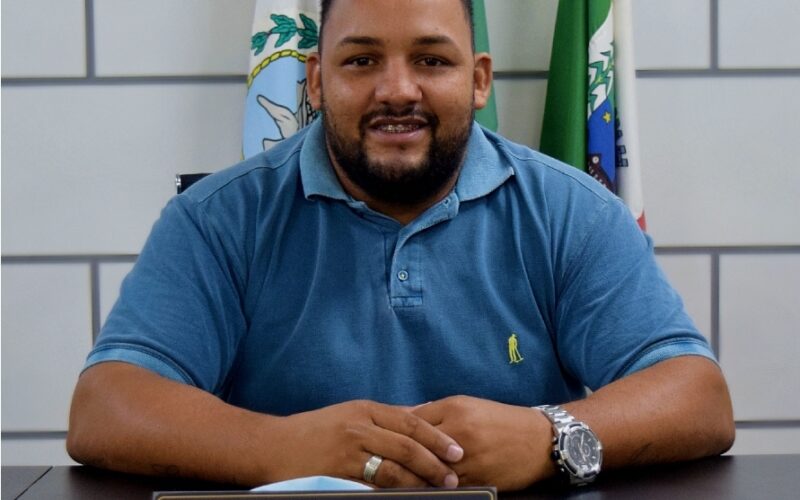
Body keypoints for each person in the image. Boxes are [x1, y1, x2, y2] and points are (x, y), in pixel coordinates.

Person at [67, 0, 735, 491]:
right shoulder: (216, 219)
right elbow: (106, 406)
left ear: (479, 80)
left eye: (431, 60)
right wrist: (281, 447)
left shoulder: (572, 212)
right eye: (361, 60)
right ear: (315, 80)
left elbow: (698, 398)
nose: (396, 91)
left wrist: (548, 436)